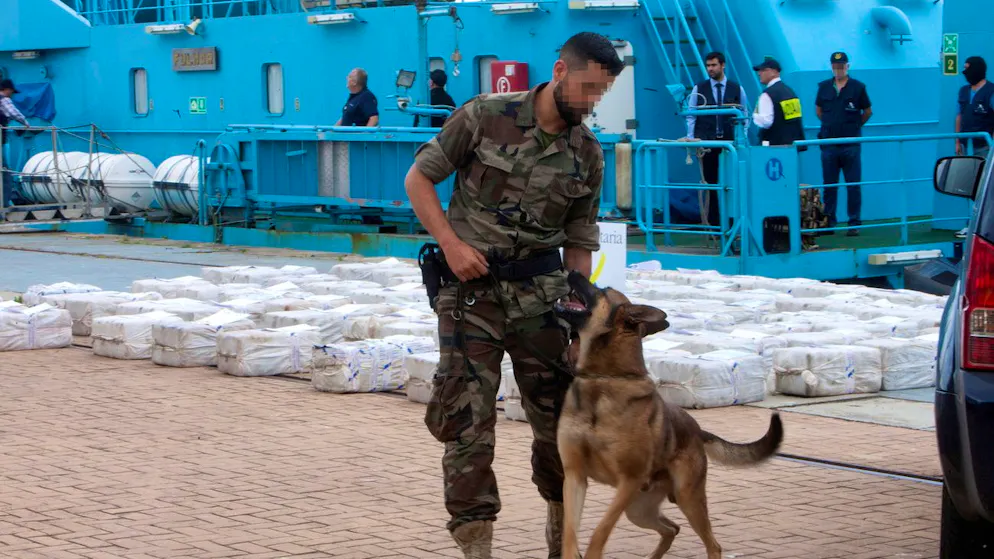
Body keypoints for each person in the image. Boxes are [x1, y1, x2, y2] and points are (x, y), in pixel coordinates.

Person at [404, 31, 622, 559]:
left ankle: (560, 537)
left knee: (558, 428)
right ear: (561, 72)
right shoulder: (484, 115)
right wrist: (451, 245)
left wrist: (580, 326)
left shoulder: (587, 153)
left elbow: (579, 242)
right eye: (589, 90)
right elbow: (418, 179)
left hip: (542, 301)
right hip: (471, 295)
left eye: (603, 94)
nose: (593, 104)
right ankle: (476, 546)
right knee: (466, 423)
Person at [686, 52, 748, 229]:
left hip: (730, 145)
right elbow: (691, 115)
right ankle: (715, 224)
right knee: (711, 185)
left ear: (723, 65)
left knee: (731, 183)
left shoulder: (737, 89)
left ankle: (733, 221)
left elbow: (744, 115)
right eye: (708, 66)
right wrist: (691, 140)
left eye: (713, 65)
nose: (710, 69)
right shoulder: (699, 89)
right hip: (708, 145)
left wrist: (741, 137)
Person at [814, 51, 872, 236]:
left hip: (850, 145)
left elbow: (867, 111)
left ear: (848, 66)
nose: (838, 69)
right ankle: (829, 222)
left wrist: (854, 127)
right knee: (829, 185)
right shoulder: (823, 87)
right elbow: (819, 111)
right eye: (835, 66)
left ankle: (853, 223)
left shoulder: (858, 87)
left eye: (841, 66)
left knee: (853, 185)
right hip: (829, 144)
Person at [956, 56, 994, 159]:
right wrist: (957, 141)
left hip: (985, 146)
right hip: (964, 145)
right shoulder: (963, 91)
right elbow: (959, 116)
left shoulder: (991, 91)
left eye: (967, 68)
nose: (964, 72)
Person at [0, 79, 29, 207]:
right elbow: (13, 113)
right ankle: (4, 204)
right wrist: (26, 123)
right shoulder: (3, 99)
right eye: (11, 92)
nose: (11, 95)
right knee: (5, 172)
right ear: (8, 90)